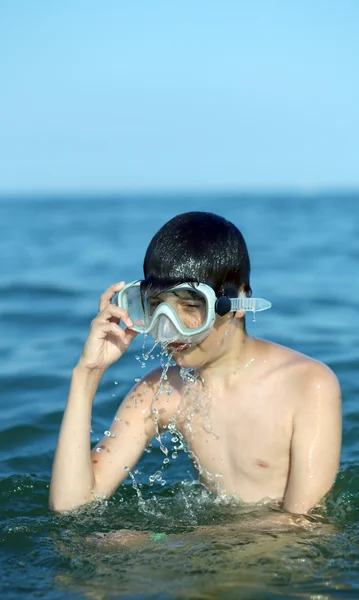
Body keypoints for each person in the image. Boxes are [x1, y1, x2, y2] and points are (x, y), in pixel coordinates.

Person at [49, 212, 342, 516]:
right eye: (156, 307)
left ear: (237, 302)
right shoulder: (161, 392)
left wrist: (169, 544)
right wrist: (87, 374)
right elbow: (72, 506)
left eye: (190, 306)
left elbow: (304, 529)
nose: (168, 328)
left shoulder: (308, 386)